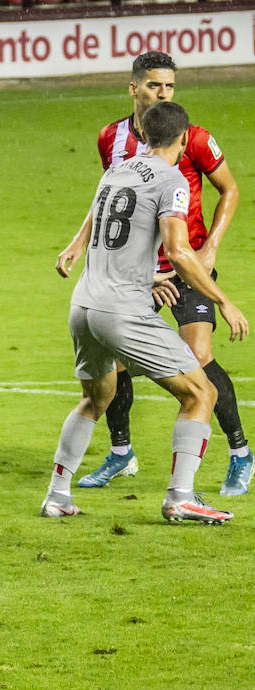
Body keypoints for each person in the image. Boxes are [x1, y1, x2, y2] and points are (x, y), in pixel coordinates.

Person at [42, 101, 248, 524]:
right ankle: (180, 497)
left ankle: (56, 495)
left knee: (94, 399)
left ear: (142, 135)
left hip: (83, 304)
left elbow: (108, 239)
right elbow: (178, 251)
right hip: (120, 311)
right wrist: (223, 300)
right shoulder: (173, 180)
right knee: (200, 393)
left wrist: (144, 279)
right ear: (185, 137)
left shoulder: (116, 171)